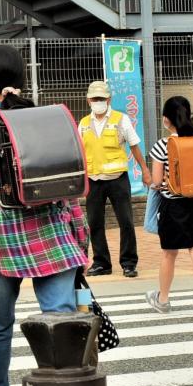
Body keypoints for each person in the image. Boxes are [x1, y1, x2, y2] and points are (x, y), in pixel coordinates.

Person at [0, 45, 89, 386]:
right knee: (60, 316)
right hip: (53, 236)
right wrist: (80, 236)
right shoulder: (48, 118)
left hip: (2, 242)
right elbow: (71, 184)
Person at [146, 96, 193, 317]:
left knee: (169, 254)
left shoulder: (163, 145)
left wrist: (152, 182)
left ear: (166, 120)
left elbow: (156, 182)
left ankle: (163, 300)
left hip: (173, 207)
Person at [78, 80, 151, 278]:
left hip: (117, 179)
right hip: (93, 180)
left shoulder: (121, 119)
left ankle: (128, 262)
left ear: (109, 99)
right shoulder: (83, 124)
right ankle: (101, 263)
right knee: (95, 223)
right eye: (95, 99)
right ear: (88, 101)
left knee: (126, 221)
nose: (98, 101)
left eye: (102, 98)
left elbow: (135, 145)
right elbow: (80, 153)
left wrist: (145, 170)